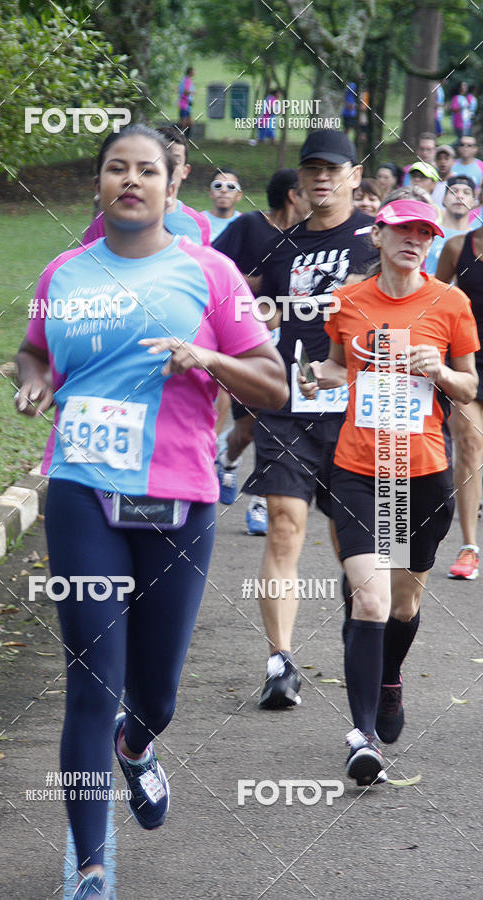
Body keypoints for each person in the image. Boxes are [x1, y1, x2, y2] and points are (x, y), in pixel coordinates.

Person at [15, 123, 288, 900]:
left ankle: (137, 745)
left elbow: (270, 385)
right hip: (81, 488)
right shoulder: (63, 272)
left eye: (146, 170)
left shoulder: (211, 273)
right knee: (90, 678)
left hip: (177, 494)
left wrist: (209, 358)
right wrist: (32, 380)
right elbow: (34, 347)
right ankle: (91, 865)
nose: (129, 181)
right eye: (114, 170)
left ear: (174, 184)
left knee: (154, 693)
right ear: (98, 185)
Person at [299, 197, 479, 784]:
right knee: (370, 599)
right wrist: (313, 375)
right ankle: (363, 736)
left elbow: (469, 382)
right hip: (357, 468)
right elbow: (336, 367)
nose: (415, 240)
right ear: (378, 236)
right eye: (403, 230)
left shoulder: (450, 302)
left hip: (420, 473)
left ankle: (389, 678)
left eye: (425, 233)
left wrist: (441, 371)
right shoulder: (348, 302)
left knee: (402, 603)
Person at [243, 130, 379, 708]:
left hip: (355, 410)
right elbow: (245, 307)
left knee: (356, 541)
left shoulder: (376, 240)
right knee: (283, 524)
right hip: (288, 408)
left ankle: (366, 636)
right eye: (311, 170)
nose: (321, 178)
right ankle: (280, 662)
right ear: (299, 179)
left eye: (333, 169)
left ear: (354, 174)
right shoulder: (280, 248)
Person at [212, 169, 310, 534]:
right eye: (307, 191)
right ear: (291, 195)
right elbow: (212, 267)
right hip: (248, 341)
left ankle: (259, 503)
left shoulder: (310, 237)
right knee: (248, 429)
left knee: (278, 422)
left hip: (294, 342)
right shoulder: (251, 226)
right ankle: (228, 458)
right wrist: (252, 289)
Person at [437, 221, 483, 580]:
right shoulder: (457, 247)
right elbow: (434, 300)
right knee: (468, 443)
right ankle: (469, 547)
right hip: (468, 361)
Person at [81, 126, 210, 246]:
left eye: (175, 160)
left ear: (185, 170)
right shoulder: (110, 219)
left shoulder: (199, 224)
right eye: (118, 169)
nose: (132, 180)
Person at [425, 174, 477, 274]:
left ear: (474, 202)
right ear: (444, 199)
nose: (459, 196)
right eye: (453, 192)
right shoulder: (429, 232)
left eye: (466, 193)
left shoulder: (477, 240)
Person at [202, 170, 243, 242]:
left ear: (239, 195)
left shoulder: (245, 223)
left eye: (231, 186)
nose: (224, 190)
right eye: (218, 185)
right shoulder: (197, 221)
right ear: (211, 193)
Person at [178, 66, 195, 134]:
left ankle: (185, 139)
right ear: (190, 72)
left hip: (187, 104)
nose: (195, 72)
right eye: (194, 71)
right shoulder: (187, 80)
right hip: (184, 104)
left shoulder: (186, 80)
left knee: (189, 123)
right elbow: (185, 91)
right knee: (183, 124)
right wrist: (192, 92)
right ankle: (176, 136)